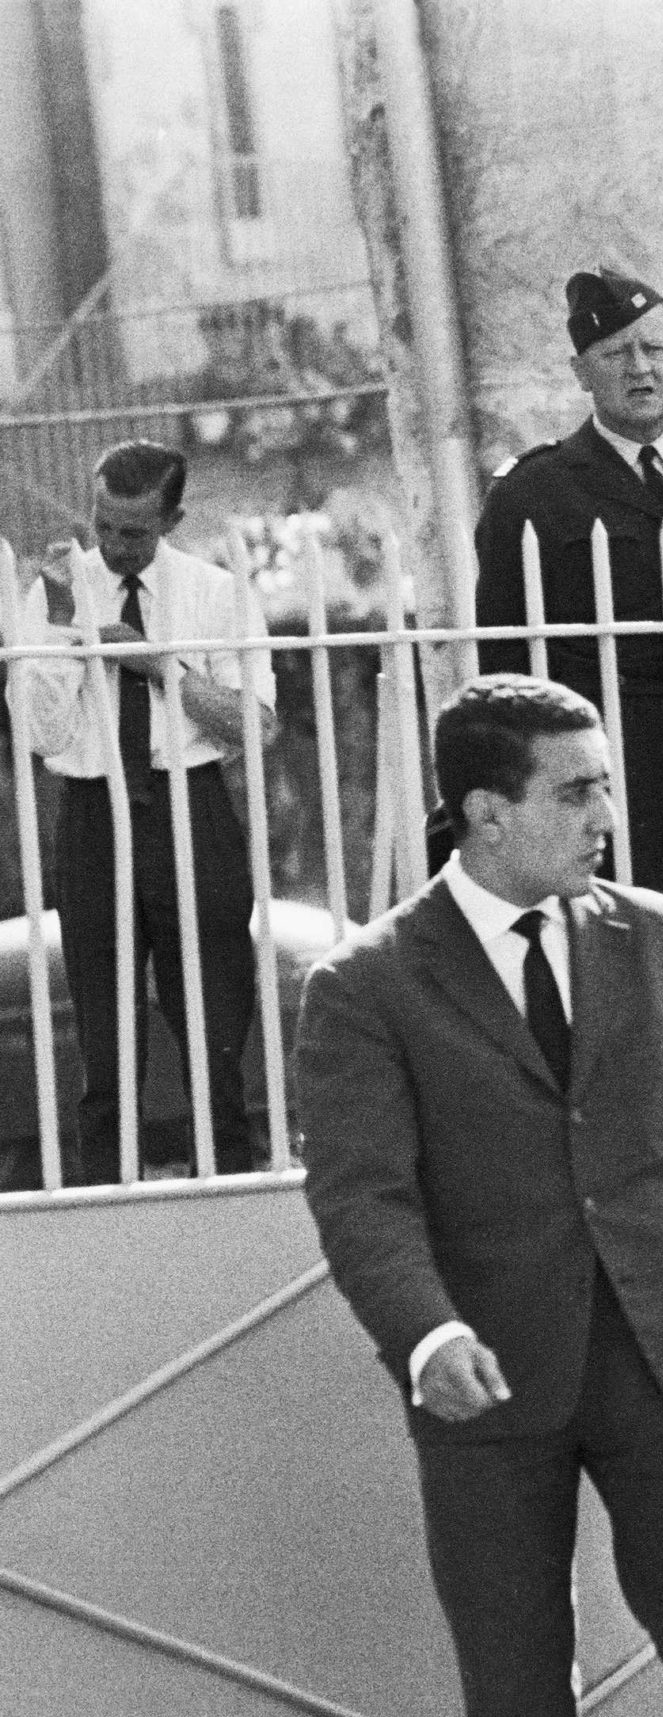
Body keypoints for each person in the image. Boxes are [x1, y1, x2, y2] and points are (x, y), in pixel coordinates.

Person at [293, 674, 663, 1717]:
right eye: (577, 790)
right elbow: (361, 1198)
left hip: (660, 1357)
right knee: (519, 1686)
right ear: (487, 812)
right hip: (486, 1377)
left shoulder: (655, 936)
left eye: (606, 787)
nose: (606, 816)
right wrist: (428, 1335)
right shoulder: (367, 984)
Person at [473, 268, 663, 1112]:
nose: (640, 369)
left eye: (654, 349)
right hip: (614, 752)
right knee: (624, 937)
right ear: (581, 370)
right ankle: (641, 1115)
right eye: (616, 353)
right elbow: (504, 653)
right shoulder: (534, 493)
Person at [9, 440, 273, 1181]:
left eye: (136, 531)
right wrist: (63, 625)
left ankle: (229, 1194)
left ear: (173, 518)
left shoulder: (215, 593)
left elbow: (260, 726)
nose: (116, 547)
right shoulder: (60, 587)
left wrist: (160, 668)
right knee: (105, 1043)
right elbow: (39, 733)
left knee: (216, 1034)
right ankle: (105, 1207)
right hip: (96, 813)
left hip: (193, 810)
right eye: (104, 526)